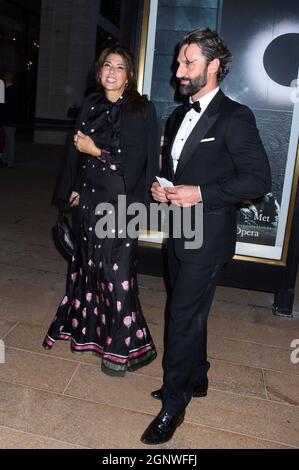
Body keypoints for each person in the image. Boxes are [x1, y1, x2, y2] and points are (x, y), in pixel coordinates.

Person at [141, 28, 271, 444]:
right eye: (179, 62)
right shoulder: (179, 115)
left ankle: (174, 404)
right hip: (180, 230)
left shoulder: (235, 117)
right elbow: (181, 174)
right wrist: (164, 189)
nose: (179, 71)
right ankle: (197, 377)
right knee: (188, 311)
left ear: (214, 66)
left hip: (209, 236)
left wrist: (201, 194)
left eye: (188, 62)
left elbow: (257, 180)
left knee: (181, 317)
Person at [43, 45, 159, 376]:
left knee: (116, 274)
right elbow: (76, 156)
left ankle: (124, 349)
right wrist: (75, 188)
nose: (111, 72)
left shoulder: (140, 110)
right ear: (99, 71)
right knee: (88, 269)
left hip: (122, 202)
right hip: (91, 200)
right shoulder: (91, 104)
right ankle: (90, 335)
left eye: (119, 67)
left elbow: (136, 165)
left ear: (129, 75)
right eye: (107, 65)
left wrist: (96, 150)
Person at [0, 71, 17, 169]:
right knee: (8, 140)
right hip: (11, 118)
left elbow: (4, 107)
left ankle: (10, 162)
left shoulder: (9, 90)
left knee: (10, 140)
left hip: (9, 119)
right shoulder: (12, 89)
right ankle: (5, 159)